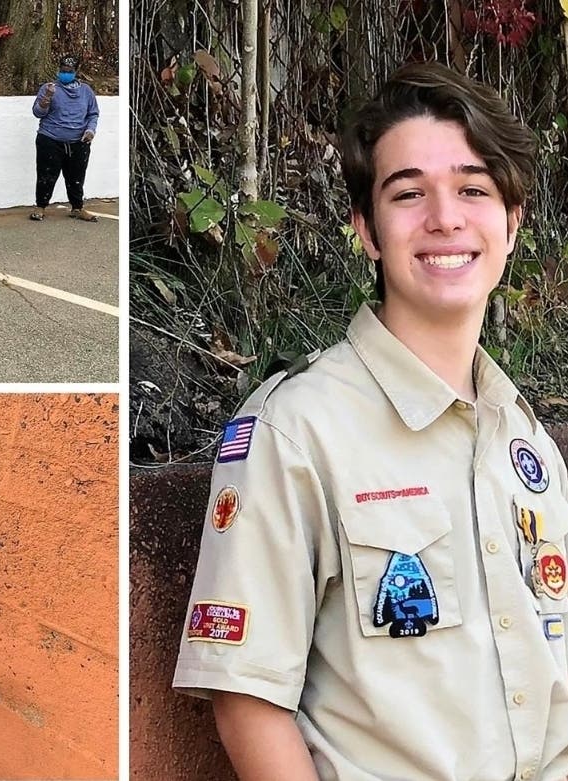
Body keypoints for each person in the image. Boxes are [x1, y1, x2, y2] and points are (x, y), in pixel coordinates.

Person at [172, 63, 568, 780]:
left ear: (511, 224)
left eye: (473, 189)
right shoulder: (296, 428)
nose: (445, 217)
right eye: (408, 192)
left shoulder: (524, 440)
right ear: (366, 230)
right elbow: (245, 698)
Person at [29, 54, 98, 222]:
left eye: (69, 71)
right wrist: (47, 98)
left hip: (78, 141)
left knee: (76, 176)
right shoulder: (49, 88)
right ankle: (40, 206)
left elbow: (93, 114)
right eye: (63, 70)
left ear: (76, 71)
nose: (65, 73)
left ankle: (77, 207)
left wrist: (90, 130)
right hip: (50, 139)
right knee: (46, 174)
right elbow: (38, 112)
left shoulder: (86, 91)